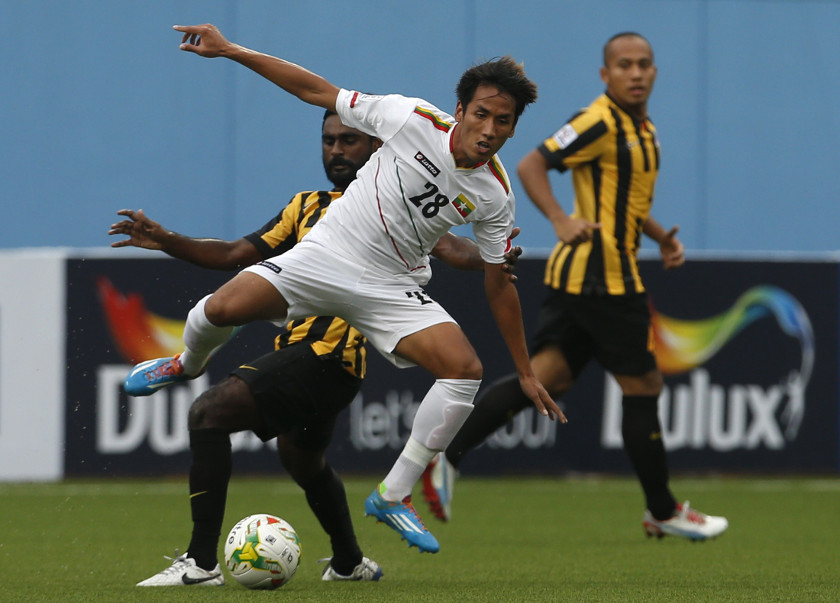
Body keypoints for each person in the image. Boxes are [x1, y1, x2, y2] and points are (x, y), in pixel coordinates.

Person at [123, 22, 564, 556]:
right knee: (219, 309)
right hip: (327, 256)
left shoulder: (495, 195)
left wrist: (522, 369)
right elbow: (317, 90)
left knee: (464, 372)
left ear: (514, 128)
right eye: (481, 114)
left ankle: (392, 495)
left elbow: (499, 282)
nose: (489, 129)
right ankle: (186, 365)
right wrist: (231, 50)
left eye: (503, 121)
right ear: (460, 109)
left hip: (391, 286)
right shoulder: (409, 118)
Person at [422, 32, 728, 541]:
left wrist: (657, 237)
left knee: (546, 377)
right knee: (644, 386)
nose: (636, 73)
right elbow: (531, 163)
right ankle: (662, 510)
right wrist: (560, 219)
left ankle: (442, 458)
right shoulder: (599, 119)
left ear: (654, 72)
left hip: (585, 276)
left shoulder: (641, 128)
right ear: (606, 75)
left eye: (644, 64)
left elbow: (625, 199)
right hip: (602, 279)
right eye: (624, 65)